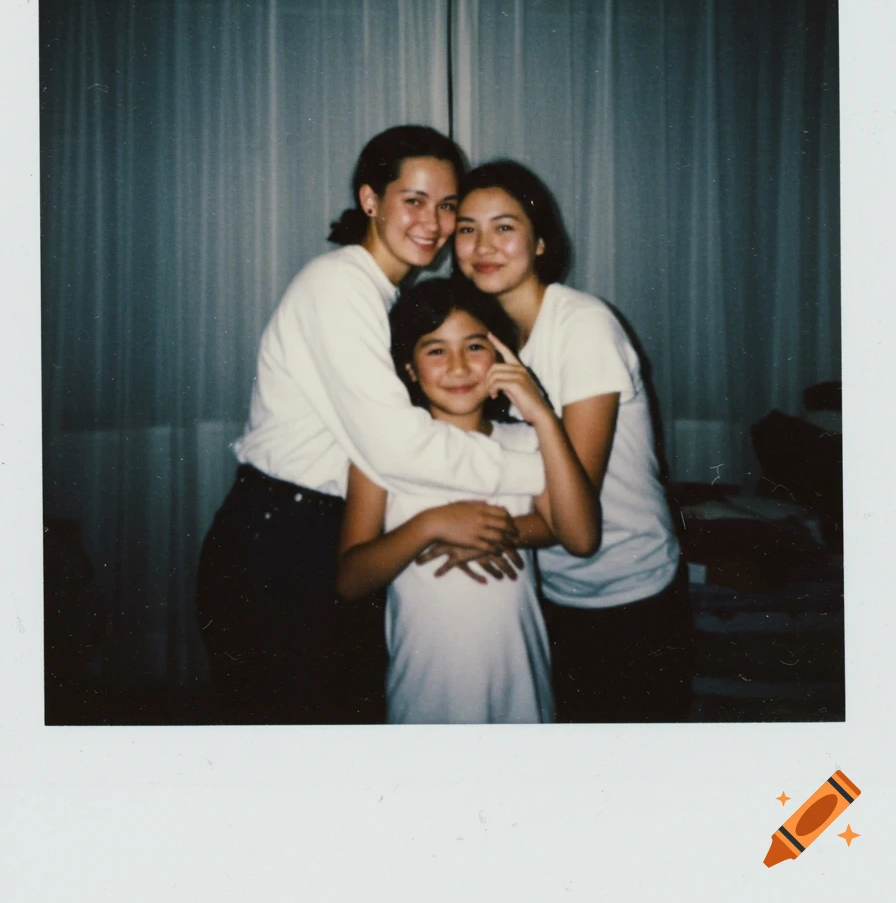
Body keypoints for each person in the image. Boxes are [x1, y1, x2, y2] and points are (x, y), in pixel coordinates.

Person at [195, 126, 546, 725]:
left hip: (316, 529)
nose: (433, 222)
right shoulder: (338, 286)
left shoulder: (382, 297)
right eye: (413, 200)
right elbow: (395, 446)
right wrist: (544, 466)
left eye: (446, 205)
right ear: (369, 200)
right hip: (281, 540)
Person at [448, 160, 693, 724]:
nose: (484, 244)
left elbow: (574, 499)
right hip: (552, 587)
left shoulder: (582, 326)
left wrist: (469, 536)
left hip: (631, 590)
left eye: (504, 226)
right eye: (467, 228)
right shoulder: (480, 340)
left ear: (539, 243)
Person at [337, 278, 599, 724]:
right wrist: (431, 525)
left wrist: (542, 415)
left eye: (475, 347)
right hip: (426, 690)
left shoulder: (526, 442)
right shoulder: (382, 451)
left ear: (500, 359)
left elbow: (581, 538)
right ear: (409, 369)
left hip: (520, 684)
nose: (458, 366)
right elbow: (350, 580)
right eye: (435, 350)